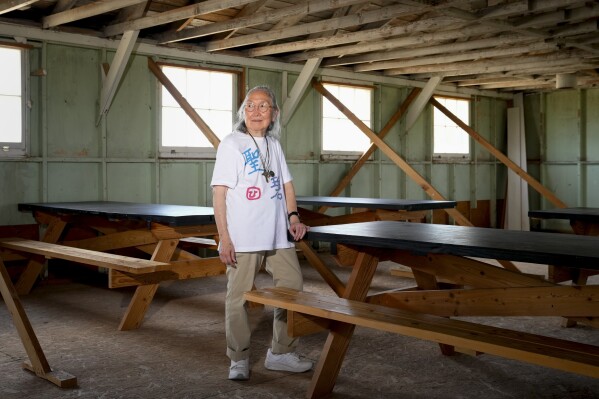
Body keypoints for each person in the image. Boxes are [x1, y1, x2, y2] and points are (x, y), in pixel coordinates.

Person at [211, 85, 313, 381]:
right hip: (243, 236)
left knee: (292, 289)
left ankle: (280, 353)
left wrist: (293, 217)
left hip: (277, 235)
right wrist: (224, 237)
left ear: (274, 113)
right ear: (243, 111)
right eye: (250, 105)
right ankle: (238, 358)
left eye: (264, 106)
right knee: (238, 297)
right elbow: (220, 194)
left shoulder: (274, 145)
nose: (256, 112)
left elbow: (286, 185)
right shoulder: (232, 143)